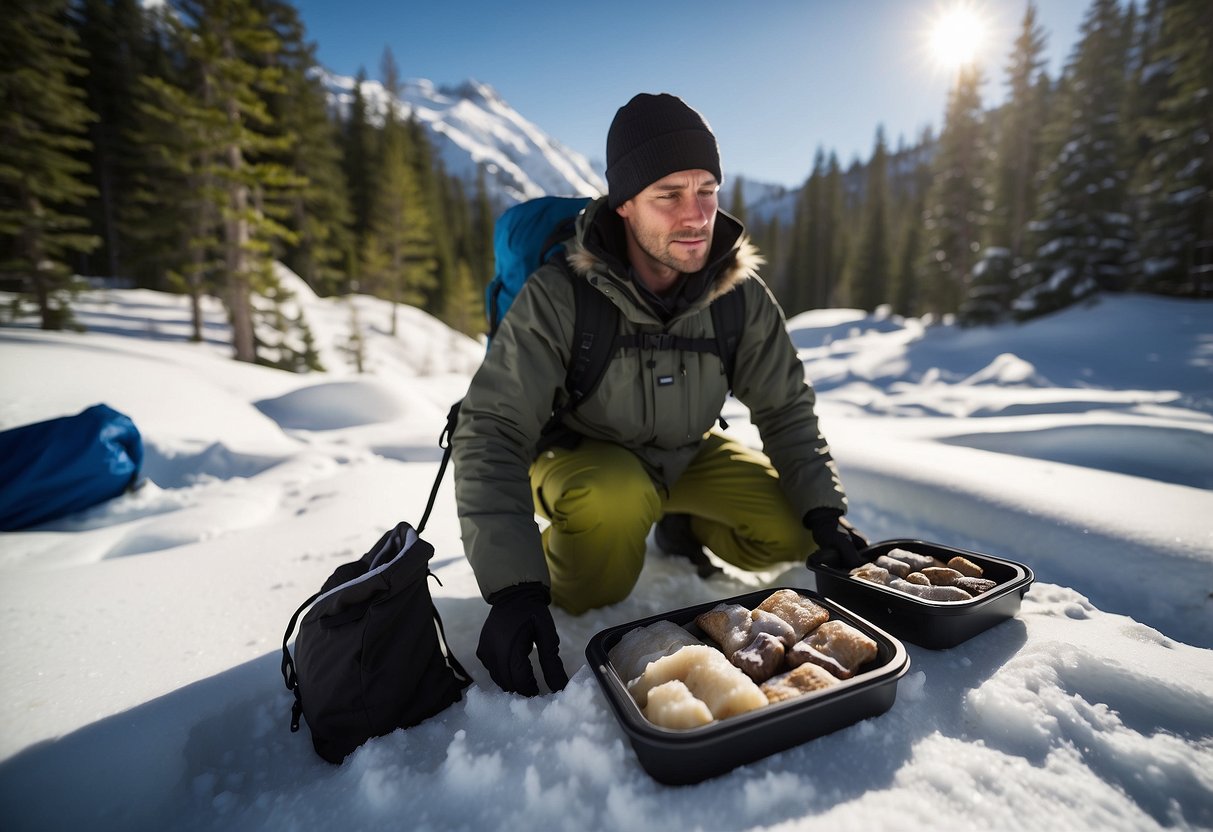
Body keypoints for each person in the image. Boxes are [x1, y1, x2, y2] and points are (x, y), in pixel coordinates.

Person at [452, 92, 865, 697]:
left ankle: (679, 521)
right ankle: (574, 552)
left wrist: (825, 510)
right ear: (624, 205)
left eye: (706, 189)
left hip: (687, 454)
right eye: (668, 195)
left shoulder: (738, 292)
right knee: (607, 533)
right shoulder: (559, 295)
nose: (695, 215)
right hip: (584, 457)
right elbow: (493, 428)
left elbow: (784, 407)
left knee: (794, 531)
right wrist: (514, 588)